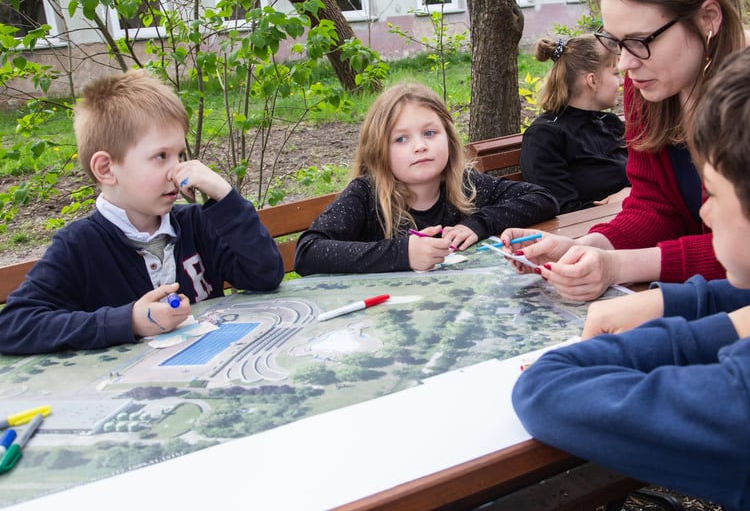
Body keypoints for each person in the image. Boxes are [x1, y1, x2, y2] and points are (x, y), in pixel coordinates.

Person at [512, 19, 750, 510]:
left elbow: (548, 388)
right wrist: (676, 299)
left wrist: (735, 323)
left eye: (714, 194)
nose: (703, 211)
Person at [502, 0, 750, 301]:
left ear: (708, 19)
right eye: (615, 41)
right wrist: (585, 247)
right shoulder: (649, 85)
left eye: (639, 41)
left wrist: (618, 265)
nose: (624, 64)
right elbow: (654, 205)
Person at [0, 70, 284, 355]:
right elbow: (14, 325)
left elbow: (265, 276)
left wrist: (225, 197)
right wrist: (129, 321)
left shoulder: (196, 223)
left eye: (180, 156)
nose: (176, 171)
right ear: (106, 169)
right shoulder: (80, 245)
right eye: (161, 156)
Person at [294, 83, 558, 275]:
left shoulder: (465, 185)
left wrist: (478, 224)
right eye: (401, 139)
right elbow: (308, 252)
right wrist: (404, 253)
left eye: (430, 133)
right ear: (378, 150)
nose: (419, 146)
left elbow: (543, 199)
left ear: (449, 138)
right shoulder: (366, 195)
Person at [520, 34, 628, 214]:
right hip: (587, 234)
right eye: (616, 73)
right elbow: (561, 210)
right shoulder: (545, 137)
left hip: (634, 221)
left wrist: (631, 194)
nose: (622, 81)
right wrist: (624, 202)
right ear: (592, 80)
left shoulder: (609, 123)